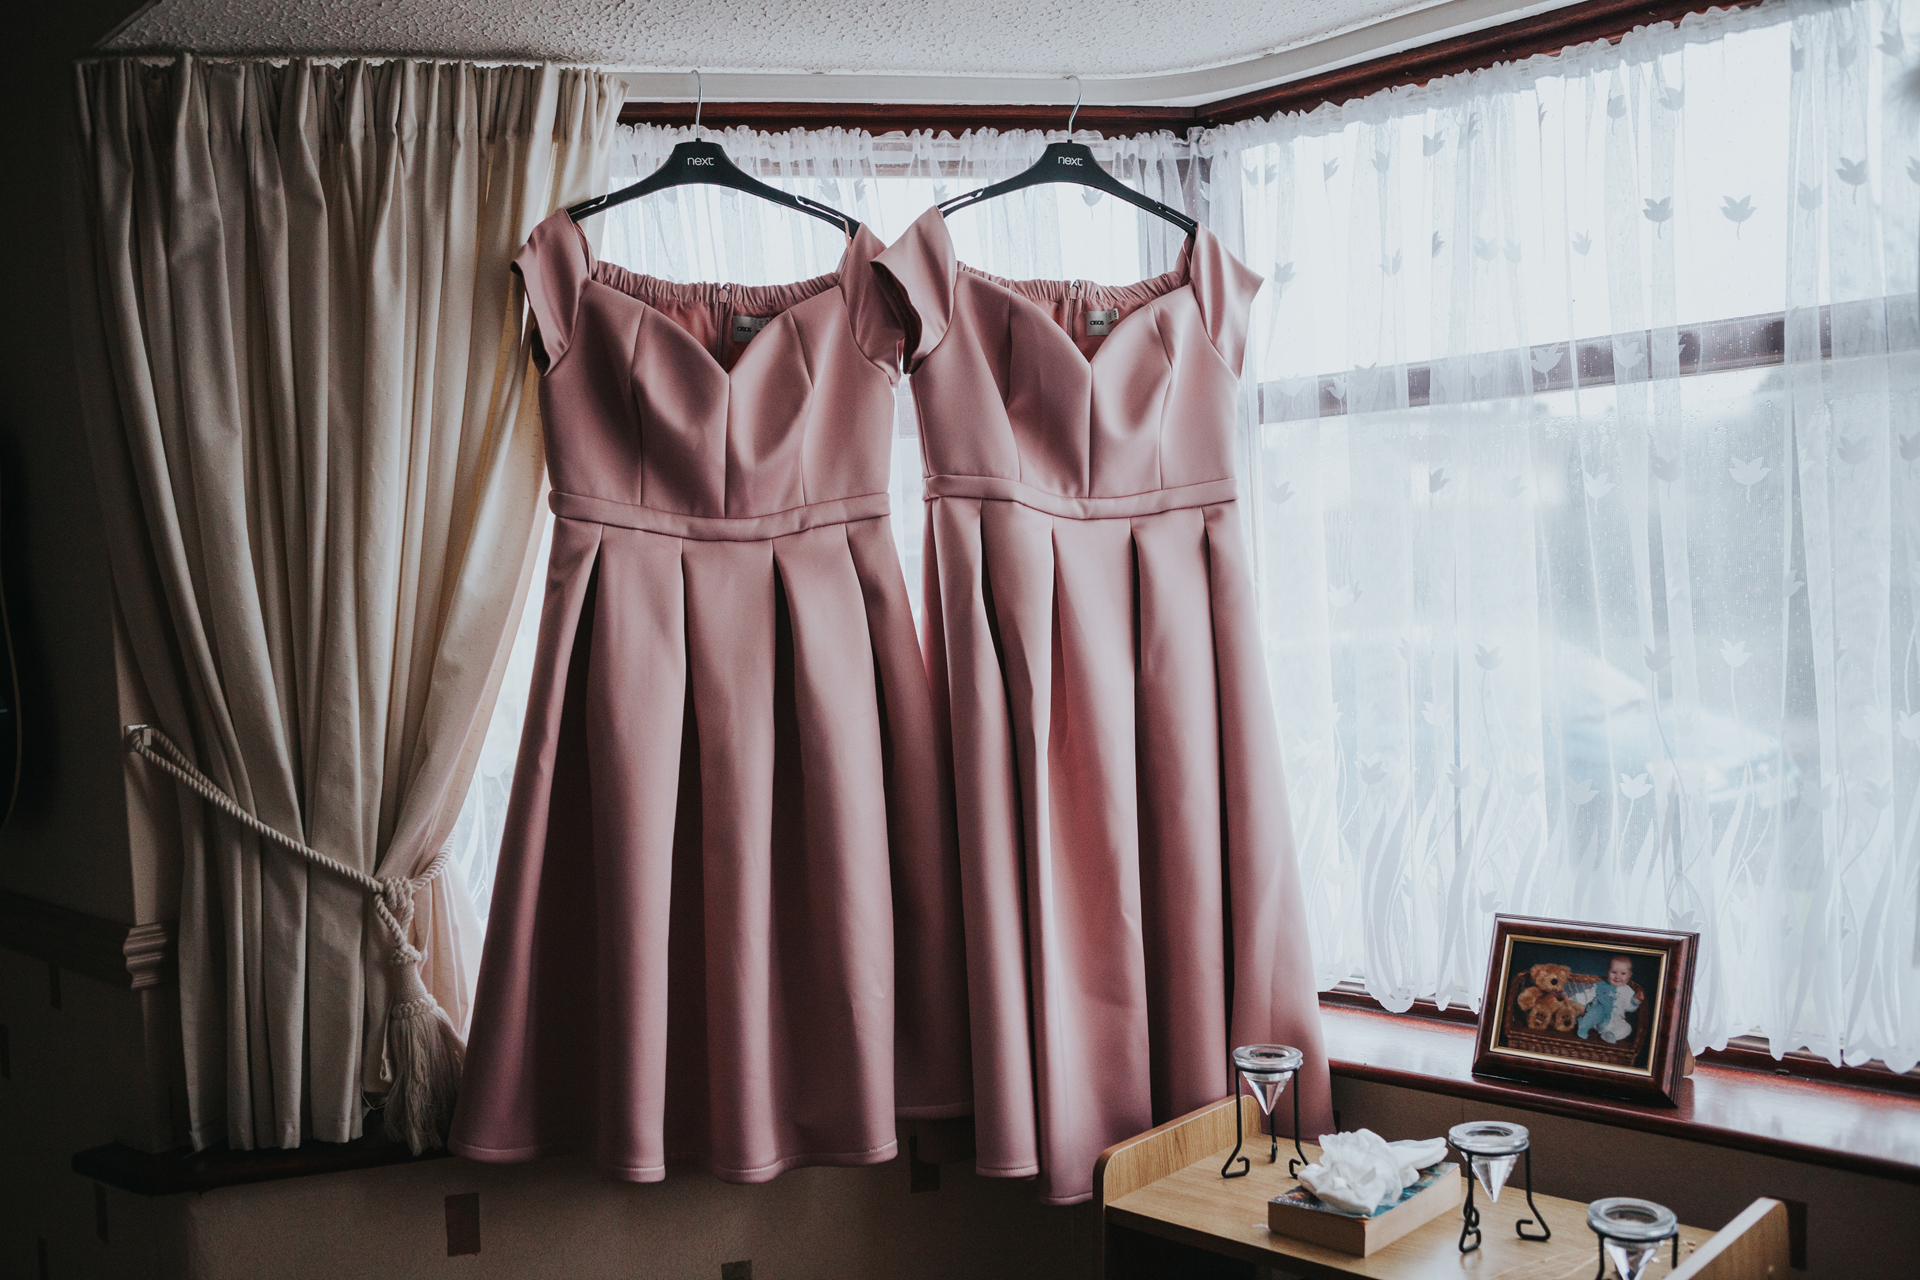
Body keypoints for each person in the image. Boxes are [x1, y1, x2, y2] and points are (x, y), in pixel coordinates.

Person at [1567, 955, 1642, 1043]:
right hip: (1600, 1019)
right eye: (1614, 972)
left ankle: (1610, 1035)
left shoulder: (1628, 991)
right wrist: (1573, 998)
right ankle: (1586, 1024)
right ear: (1608, 972)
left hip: (1617, 1020)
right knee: (1593, 1013)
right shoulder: (1601, 986)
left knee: (1627, 1028)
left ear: (1629, 975)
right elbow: (1587, 995)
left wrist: (1636, 1000)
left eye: (1623, 974)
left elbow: (1629, 1007)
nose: (1617, 977)